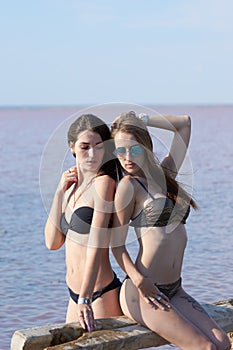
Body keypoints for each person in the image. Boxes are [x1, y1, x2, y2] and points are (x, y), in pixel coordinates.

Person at [111, 111, 230, 350]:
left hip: (175, 289)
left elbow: (184, 125)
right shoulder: (128, 186)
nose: (126, 157)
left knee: (222, 343)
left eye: (133, 149)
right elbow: (115, 244)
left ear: (145, 147)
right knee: (205, 347)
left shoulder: (164, 175)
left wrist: (141, 119)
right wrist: (139, 280)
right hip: (143, 291)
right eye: (120, 151)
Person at [44, 114, 123, 332]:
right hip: (74, 297)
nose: (92, 154)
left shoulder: (104, 183)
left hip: (98, 295)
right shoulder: (72, 187)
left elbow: (96, 243)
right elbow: (52, 243)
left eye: (99, 147)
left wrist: (86, 298)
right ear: (72, 147)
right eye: (84, 147)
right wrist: (59, 193)